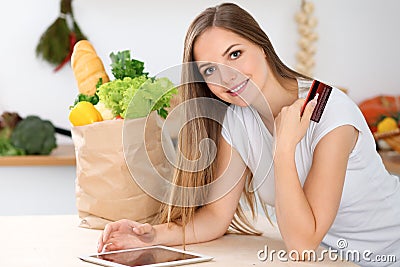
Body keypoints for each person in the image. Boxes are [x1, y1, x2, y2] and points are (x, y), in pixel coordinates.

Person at [98, 3, 400, 266]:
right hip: (334, 259)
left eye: (235, 54)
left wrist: (283, 151)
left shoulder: (331, 114)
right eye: (210, 71)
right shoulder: (238, 119)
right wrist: (151, 236)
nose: (227, 76)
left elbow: (302, 245)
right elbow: (216, 218)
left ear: (263, 46)